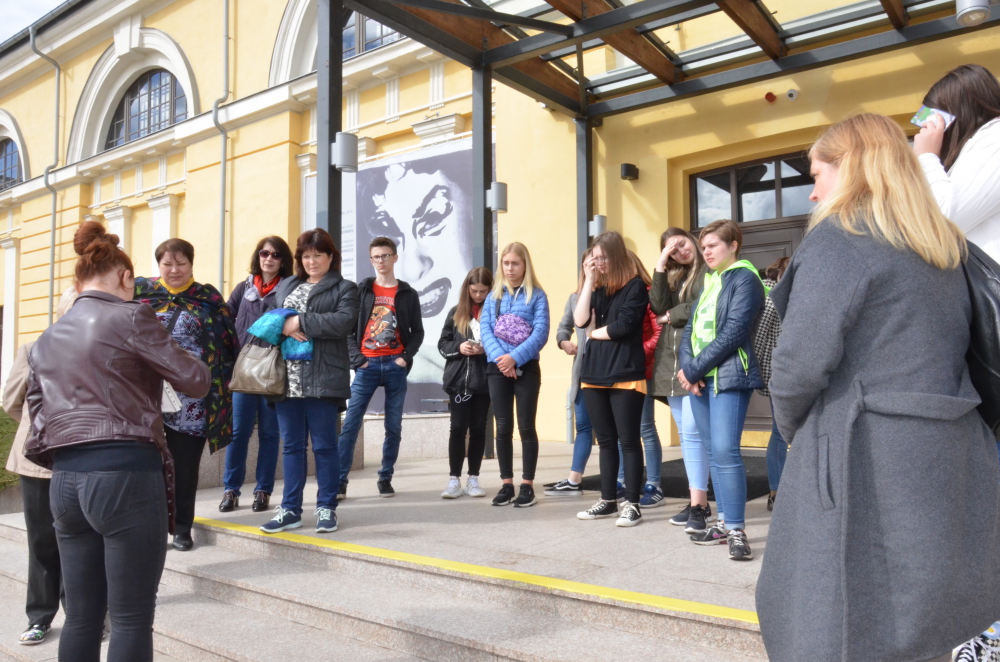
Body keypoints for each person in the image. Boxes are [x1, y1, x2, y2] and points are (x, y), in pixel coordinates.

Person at [755, 113, 1000, 662]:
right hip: (949, 450)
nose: (812, 191)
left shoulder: (842, 237)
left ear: (850, 166)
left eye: (816, 174)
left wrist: (793, 432)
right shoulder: (942, 244)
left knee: (838, 618)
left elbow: (797, 365)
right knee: (923, 620)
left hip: (863, 453)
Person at [24, 221, 210, 662]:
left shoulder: (47, 338)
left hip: (65, 480)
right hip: (125, 473)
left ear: (78, 283)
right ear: (126, 278)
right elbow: (195, 380)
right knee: (130, 618)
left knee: (82, 617)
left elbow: (36, 412)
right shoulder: (132, 316)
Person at [914, 64, 1000, 662]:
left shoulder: (995, 140)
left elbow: (941, 224)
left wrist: (924, 155)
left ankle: (989, 631)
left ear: (954, 111)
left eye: (932, 116)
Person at [136, 239, 238, 552]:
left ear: (192, 264)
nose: (174, 270)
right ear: (158, 266)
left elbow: (227, 344)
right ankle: (152, 528)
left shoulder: (208, 298)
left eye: (181, 263)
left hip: (192, 400)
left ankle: (182, 527)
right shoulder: (140, 294)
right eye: (167, 264)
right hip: (146, 396)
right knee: (147, 466)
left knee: (185, 467)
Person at [260, 229, 359, 534]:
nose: (311, 261)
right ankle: (290, 509)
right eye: (306, 256)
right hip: (286, 380)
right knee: (291, 447)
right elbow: (267, 320)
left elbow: (343, 321)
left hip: (323, 378)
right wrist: (283, 325)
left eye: (318, 255)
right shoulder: (288, 284)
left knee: (325, 447)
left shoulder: (344, 287)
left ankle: (327, 507)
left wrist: (299, 321)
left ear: (330, 257)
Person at [678, 219, 764, 560]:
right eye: (704, 247)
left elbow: (734, 332)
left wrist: (694, 369)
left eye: (713, 245)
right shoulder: (710, 282)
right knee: (714, 452)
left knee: (726, 452)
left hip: (729, 376)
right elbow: (690, 330)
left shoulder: (745, 278)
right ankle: (724, 523)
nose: (706, 252)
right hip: (701, 379)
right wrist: (688, 368)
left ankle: (737, 531)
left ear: (733, 245)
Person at [3, 288, 75, 646]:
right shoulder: (33, 350)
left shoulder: (100, 351)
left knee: (79, 542)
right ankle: (39, 616)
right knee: (42, 542)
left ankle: (80, 615)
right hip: (37, 463)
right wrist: (38, 430)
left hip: (80, 461)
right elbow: (11, 401)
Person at [338, 236, 424, 499]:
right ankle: (339, 481)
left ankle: (385, 478)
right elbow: (348, 330)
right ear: (371, 260)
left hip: (396, 365)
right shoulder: (362, 290)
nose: (381, 261)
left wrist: (405, 357)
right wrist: (358, 360)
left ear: (395, 257)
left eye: (386, 256)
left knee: (393, 426)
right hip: (367, 365)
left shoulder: (407, 293)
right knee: (351, 424)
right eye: (376, 257)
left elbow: (418, 332)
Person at [574, 231, 649, 527]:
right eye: (595, 258)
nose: (599, 263)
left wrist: (593, 334)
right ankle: (607, 501)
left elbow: (623, 326)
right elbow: (580, 320)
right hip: (593, 373)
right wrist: (588, 280)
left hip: (625, 373)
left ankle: (632, 504)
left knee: (628, 441)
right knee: (605, 441)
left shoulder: (635, 286)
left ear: (616, 256)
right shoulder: (597, 288)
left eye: (603, 258)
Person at [220, 236, 294, 513]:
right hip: (244, 370)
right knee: (238, 433)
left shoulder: (288, 289)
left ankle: (263, 491)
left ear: (283, 260)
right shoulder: (243, 288)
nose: (269, 258)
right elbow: (225, 321)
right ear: (258, 256)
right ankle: (231, 490)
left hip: (272, 369)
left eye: (276, 254)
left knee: (269, 434)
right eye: (264, 253)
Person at [650, 228, 713, 533]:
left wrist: (669, 316)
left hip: (693, 362)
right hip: (670, 364)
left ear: (692, 239)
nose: (680, 251)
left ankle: (700, 504)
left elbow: (700, 306)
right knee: (687, 437)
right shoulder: (676, 275)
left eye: (681, 244)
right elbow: (657, 304)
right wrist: (662, 262)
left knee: (692, 432)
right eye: (672, 250)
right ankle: (696, 500)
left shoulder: (708, 270)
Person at [480, 242, 550, 507]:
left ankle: (527, 486)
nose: (510, 268)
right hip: (497, 368)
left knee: (526, 426)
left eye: (515, 263)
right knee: (503, 426)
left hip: (526, 367)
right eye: (506, 263)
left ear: (525, 265)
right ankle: (506, 484)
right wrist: (503, 360)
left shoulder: (537, 296)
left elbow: (541, 333)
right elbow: (486, 331)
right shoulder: (493, 296)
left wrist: (515, 358)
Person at [914, 64, 1000, 264]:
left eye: (935, 123)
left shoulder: (995, 138)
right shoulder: (978, 148)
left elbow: (945, 219)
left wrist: (926, 156)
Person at [438, 267, 494, 498]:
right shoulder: (456, 312)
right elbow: (443, 344)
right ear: (466, 289)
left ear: (490, 290)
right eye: (474, 291)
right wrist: (459, 347)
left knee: (479, 428)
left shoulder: (494, 312)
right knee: (458, 428)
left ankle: (473, 478)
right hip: (459, 381)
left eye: (483, 291)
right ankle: (454, 479)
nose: (478, 295)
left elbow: (503, 342)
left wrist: (485, 349)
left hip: (483, 381)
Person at [544, 249, 594, 497]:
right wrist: (564, 342)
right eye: (587, 264)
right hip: (582, 372)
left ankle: (621, 481)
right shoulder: (575, 298)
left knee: (614, 431)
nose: (591, 267)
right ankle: (574, 480)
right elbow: (563, 327)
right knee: (583, 427)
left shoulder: (612, 294)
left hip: (609, 371)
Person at [615, 252, 663, 507]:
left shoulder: (648, 293)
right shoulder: (615, 295)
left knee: (645, 427)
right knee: (622, 430)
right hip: (619, 372)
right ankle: (621, 481)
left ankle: (654, 484)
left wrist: (633, 354)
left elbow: (659, 334)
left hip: (642, 370)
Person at [753, 257, 789, 512]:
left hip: (791, 368)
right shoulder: (771, 293)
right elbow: (760, 333)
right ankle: (776, 492)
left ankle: (782, 491)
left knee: (782, 432)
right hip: (781, 369)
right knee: (780, 432)